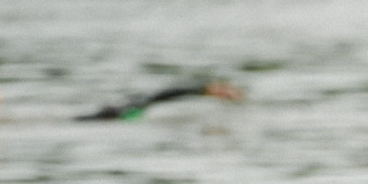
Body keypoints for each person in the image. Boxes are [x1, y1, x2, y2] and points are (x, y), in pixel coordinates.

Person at [77, 79, 244, 122]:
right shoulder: (137, 106)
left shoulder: (138, 105)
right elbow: (166, 94)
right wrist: (205, 90)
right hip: (118, 114)